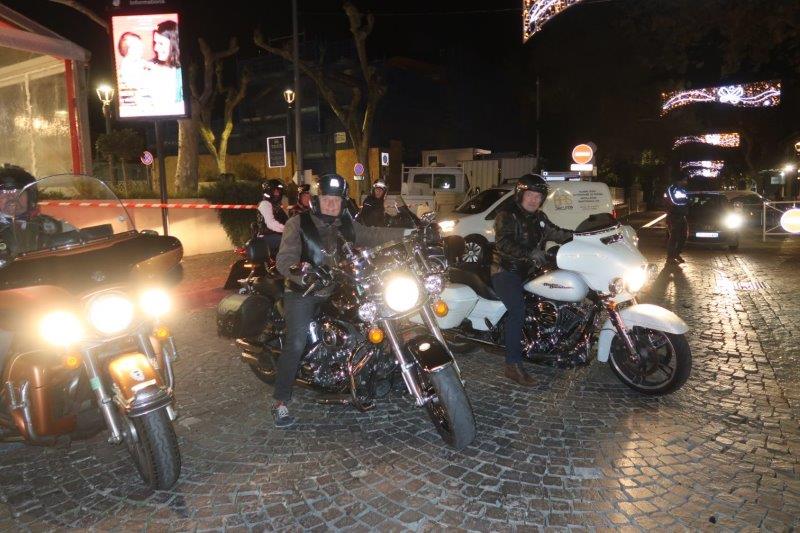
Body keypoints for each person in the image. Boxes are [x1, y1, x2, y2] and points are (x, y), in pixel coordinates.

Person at [272, 174, 406, 427]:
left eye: (336, 200)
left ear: (343, 202)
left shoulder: (345, 223)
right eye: (326, 199)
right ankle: (280, 401)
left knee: (379, 311)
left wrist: (409, 232)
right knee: (296, 341)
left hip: (337, 286)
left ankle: (388, 370)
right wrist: (303, 273)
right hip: (303, 291)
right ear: (316, 200)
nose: (331, 205)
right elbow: (284, 260)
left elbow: (373, 234)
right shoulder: (297, 223)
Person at [490, 174, 573, 387]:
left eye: (538, 196)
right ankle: (512, 365)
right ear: (521, 195)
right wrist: (530, 252)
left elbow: (558, 233)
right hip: (506, 271)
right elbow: (504, 243)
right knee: (518, 311)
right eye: (530, 195)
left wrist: (584, 237)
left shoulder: (539, 218)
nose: (534, 200)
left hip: (529, 271)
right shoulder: (506, 215)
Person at [257, 179, 288, 256]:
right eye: (275, 191)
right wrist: (288, 229)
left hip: (276, 235)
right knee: (289, 242)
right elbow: (271, 224)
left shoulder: (276, 206)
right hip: (266, 236)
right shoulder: (265, 204)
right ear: (269, 192)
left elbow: (287, 220)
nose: (277, 194)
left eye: (278, 191)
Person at [665, 176, 689, 264]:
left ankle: (676, 254)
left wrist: (685, 203)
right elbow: (673, 201)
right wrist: (683, 202)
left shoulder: (683, 189)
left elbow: (687, 200)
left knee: (684, 236)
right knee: (674, 236)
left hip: (682, 216)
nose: (686, 182)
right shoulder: (671, 188)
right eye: (685, 180)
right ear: (679, 180)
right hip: (674, 216)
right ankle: (670, 257)